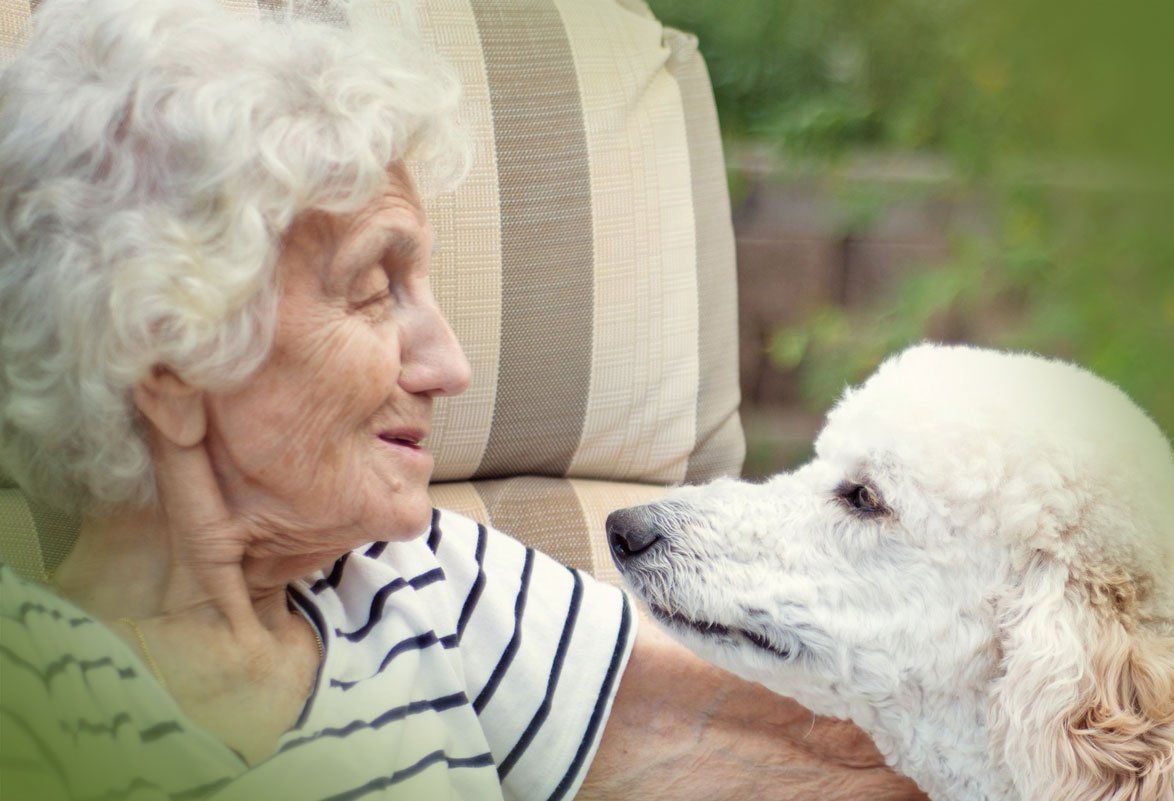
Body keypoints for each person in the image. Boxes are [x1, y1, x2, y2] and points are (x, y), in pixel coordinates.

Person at [0, 1, 925, 799]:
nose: (449, 365)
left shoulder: (422, 578)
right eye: (374, 288)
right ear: (168, 359)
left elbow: (836, 757)